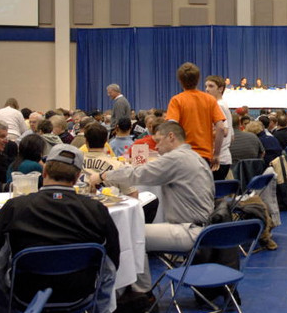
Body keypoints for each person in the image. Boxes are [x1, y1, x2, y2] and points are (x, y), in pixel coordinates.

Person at [0, 144, 120, 313]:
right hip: (79, 293)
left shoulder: (15, 207)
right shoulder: (96, 210)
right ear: (78, 175)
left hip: (25, 295)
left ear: (44, 171)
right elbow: (112, 266)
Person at [88, 121, 215, 289]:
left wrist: (103, 176)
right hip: (204, 227)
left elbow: (138, 174)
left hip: (188, 230)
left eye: (158, 141)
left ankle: (141, 292)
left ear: (171, 137)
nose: (156, 146)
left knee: (129, 235)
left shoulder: (176, 158)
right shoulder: (194, 157)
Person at [165, 63, 225, 172]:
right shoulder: (210, 100)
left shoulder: (176, 100)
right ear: (198, 79)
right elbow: (221, 128)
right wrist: (216, 154)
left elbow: (171, 127)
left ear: (180, 80)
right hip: (204, 156)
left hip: (183, 155)